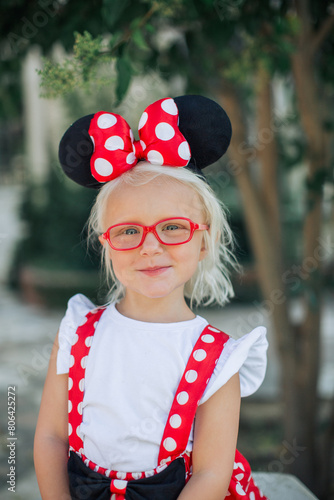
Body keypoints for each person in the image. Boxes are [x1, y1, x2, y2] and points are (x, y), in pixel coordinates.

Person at [34, 95, 269, 500]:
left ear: (204, 239)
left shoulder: (217, 360)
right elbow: (52, 437)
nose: (150, 247)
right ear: (106, 245)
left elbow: (212, 473)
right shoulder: (77, 332)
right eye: (128, 231)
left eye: (173, 228)